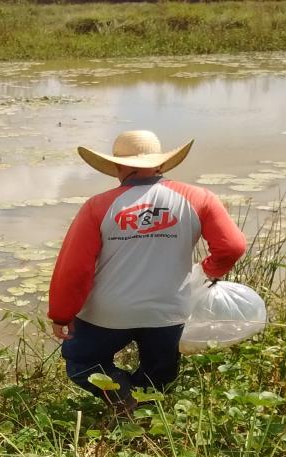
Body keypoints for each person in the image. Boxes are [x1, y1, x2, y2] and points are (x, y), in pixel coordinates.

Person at [48, 129, 247, 412]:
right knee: (158, 376)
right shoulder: (199, 198)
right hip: (168, 311)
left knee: (81, 363)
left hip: (107, 312)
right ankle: (142, 412)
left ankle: (121, 398)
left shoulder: (97, 206)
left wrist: (61, 314)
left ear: (116, 167)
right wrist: (206, 271)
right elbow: (233, 246)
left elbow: (74, 269)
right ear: (161, 164)